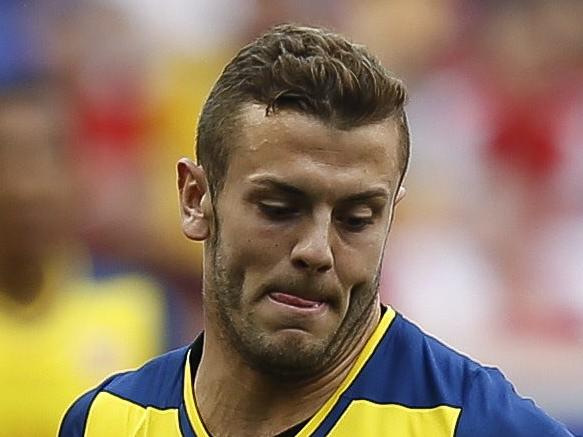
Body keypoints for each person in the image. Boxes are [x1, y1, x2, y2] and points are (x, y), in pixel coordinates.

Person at [59, 24, 575, 437]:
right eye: (280, 208)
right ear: (196, 199)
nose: (316, 250)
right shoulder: (106, 422)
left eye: (357, 219)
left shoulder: (476, 424)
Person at [0, 76, 167, 436]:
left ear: (78, 174)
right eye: (6, 159)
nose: (25, 188)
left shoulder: (137, 306)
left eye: (49, 156)